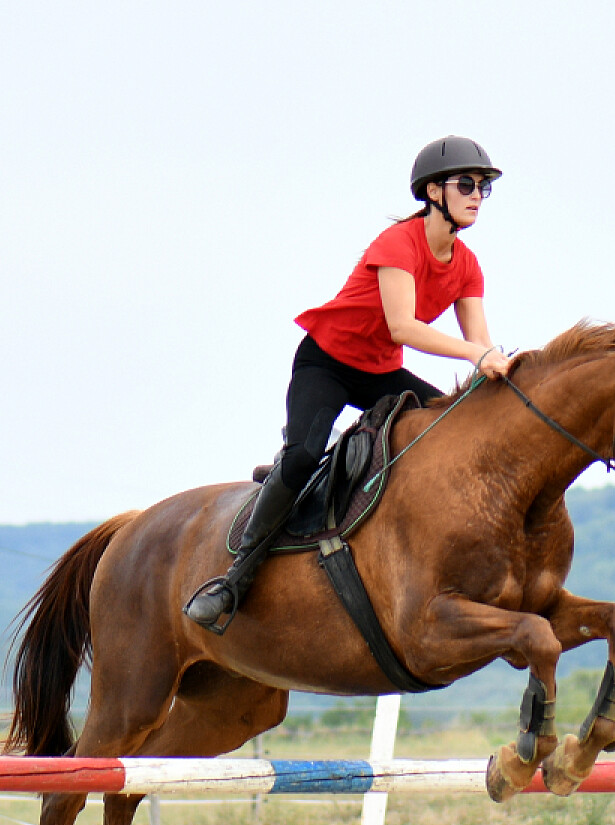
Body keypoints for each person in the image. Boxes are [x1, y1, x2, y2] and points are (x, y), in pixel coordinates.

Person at [184, 135, 514, 632]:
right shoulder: (397, 244)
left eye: (483, 187)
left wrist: (501, 371)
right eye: (466, 183)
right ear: (431, 192)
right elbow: (403, 326)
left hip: (380, 372)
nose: (476, 195)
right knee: (300, 459)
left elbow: (481, 346)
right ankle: (235, 577)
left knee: (451, 426)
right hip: (327, 363)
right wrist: (476, 353)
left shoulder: (467, 265)